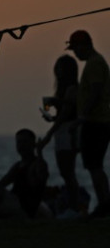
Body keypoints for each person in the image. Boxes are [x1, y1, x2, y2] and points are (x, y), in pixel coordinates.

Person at [65, 30, 110, 217]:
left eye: (75, 49)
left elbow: (96, 92)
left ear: (84, 46)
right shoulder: (95, 63)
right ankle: (104, 205)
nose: (75, 53)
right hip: (96, 121)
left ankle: (104, 205)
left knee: (95, 166)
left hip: (95, 122)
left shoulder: (94, 64)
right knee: (94, 166)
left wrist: (82, 116)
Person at [37, 55, 80, 212]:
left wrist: (49, 134)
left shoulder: (72, 89)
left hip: (67, 133)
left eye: (61, 68)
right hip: (63, 132)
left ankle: (74, 207)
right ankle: (73, 205)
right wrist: (52, 116)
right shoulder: (65, 90)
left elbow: (67, 113)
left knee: (67, 172)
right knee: (66, 172)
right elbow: (64, 113)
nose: (59, 72)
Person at [0, 129, 49, 218]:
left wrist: (40, 153)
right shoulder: (18, 166)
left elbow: (41, 178)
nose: (21, 145)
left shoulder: (38, 164)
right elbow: (2, 183)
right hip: (14, 203)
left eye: (24, 142)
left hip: (24, 209)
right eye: (18, 142)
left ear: (33, 144)